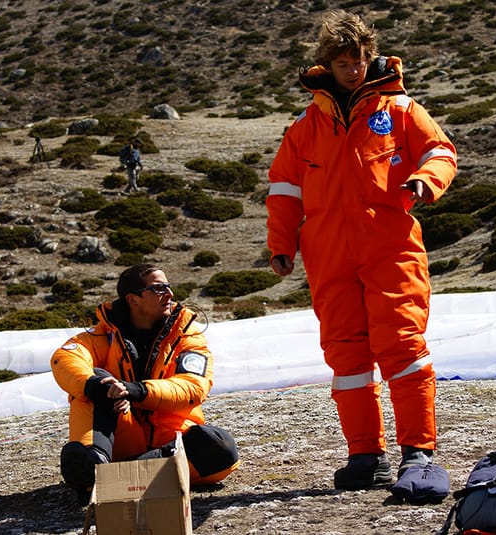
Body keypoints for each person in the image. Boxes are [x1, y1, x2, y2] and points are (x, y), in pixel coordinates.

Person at [265, 10, 457, 504]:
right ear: (327, 65)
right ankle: (366, 456)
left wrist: (426, 180)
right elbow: (284, 189)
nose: (353, 70)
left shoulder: (400, 109)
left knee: (402, 345)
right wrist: (281, 244)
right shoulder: (305, 126)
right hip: (328, 254)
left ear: (371, 58)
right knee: (346, 355)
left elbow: (440, 151)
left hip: (390, 246)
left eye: (359, 60)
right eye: (343, 63)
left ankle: (418, 453)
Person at [50, 263, 240, 505]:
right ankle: (97, 463)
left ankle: (106, 477)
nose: (170, 294)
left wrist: (135, 391)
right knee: (95, 381)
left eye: (168, 287)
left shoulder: (187, 336)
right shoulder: (102, 336)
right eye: (159, 289)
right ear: (133, 299)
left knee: (220, 448)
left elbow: (193, 387)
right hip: (119, 438)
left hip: (172, 440)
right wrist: (100, 386)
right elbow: (65, 358)